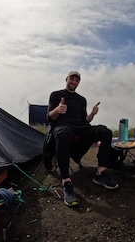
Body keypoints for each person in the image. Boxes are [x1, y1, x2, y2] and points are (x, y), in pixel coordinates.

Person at [47, 71, 118, 207]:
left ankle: (100, 173)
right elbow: (50, 118)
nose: (74, 82)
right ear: (66, 79)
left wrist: (92, 113)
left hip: (81, 128)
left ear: (78, 83)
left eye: (76, 80)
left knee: (105, 131)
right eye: (71, 79)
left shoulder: (81, 100)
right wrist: (58, 110)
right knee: (62, 134)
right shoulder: (56, 95)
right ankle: (66, 182)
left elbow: (85, 120)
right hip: (63, 127)